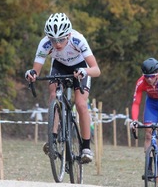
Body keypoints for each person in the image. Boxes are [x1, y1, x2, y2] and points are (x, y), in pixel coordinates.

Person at [25, 13, 101, 163]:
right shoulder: (45, 43)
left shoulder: (78, 40)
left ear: (68, 35)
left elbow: (96, 69)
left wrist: (84, 72)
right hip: (59, 67)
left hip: (80, 68)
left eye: (61, 39)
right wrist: (31, 74)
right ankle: (53, 137)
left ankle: (86, 147)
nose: (57, 44)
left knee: (80, 104)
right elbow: (36, 70)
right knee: (53, 94)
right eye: (53, 40)